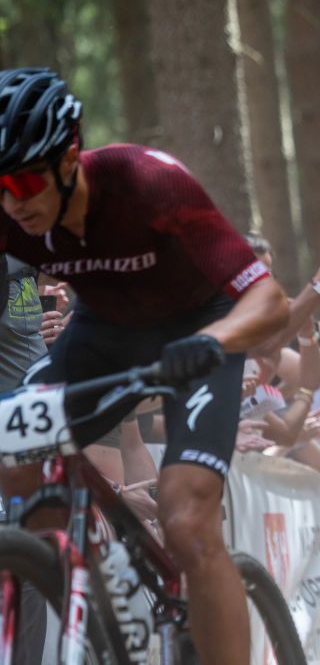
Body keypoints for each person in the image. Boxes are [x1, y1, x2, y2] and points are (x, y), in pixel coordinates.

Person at [0, 67, 290, 665]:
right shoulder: (11, 214)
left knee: (185, 518)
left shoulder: (147, 182)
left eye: (25, 181)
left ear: (69, 157)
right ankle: (109, 621)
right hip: (105, 330)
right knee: (16, 469)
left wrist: (215, 342)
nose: (13, 201)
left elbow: (269, 302)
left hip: (199, 328)